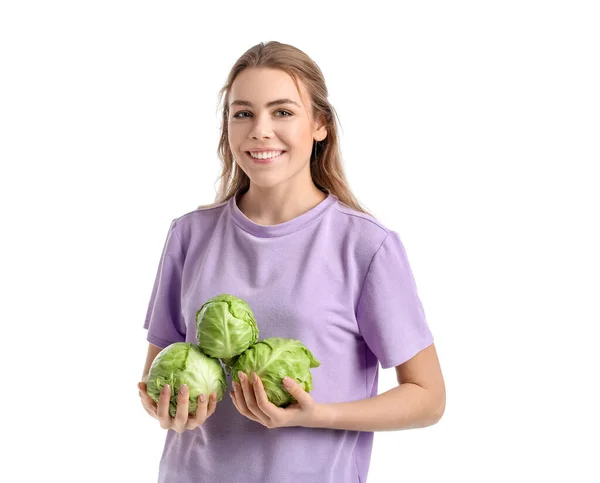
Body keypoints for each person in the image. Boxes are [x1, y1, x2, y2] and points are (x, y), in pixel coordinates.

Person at [137, 40, 445, 483]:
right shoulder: (189, 234)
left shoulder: (365, 246)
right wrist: (167, 409)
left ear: (319, 124)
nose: (260, 130)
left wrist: (317, 415)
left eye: (282, 112)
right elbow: (158, 372)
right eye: (243, 113)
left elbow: (428, 397)